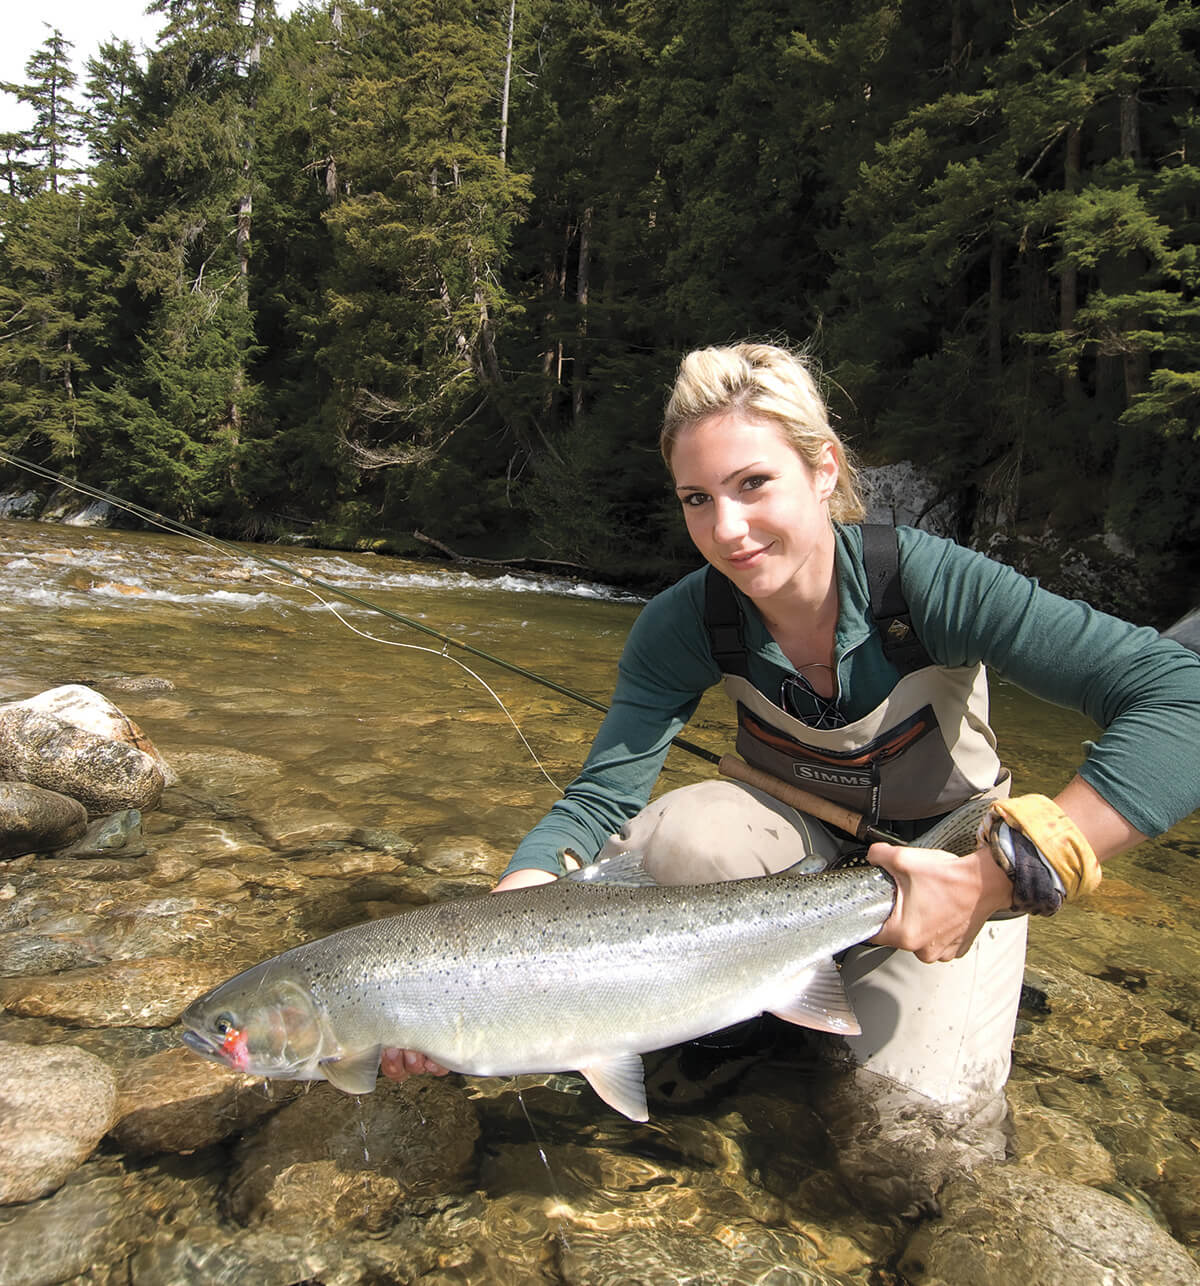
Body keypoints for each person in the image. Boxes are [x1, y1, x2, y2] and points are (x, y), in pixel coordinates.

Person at [381, 340, 1200, 1110]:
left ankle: (872, 991)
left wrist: (996, 878)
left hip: (947, 870)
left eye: (753, 484)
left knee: (910, 1135)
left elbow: (1181, 700)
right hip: (788, 866)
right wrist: (498, 935)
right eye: (697, 500)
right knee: (676, 834)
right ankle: (747, 1010)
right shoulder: (682, 623)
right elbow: (599, 801)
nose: (726, 531)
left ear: (823, 470)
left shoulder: (927, 584)